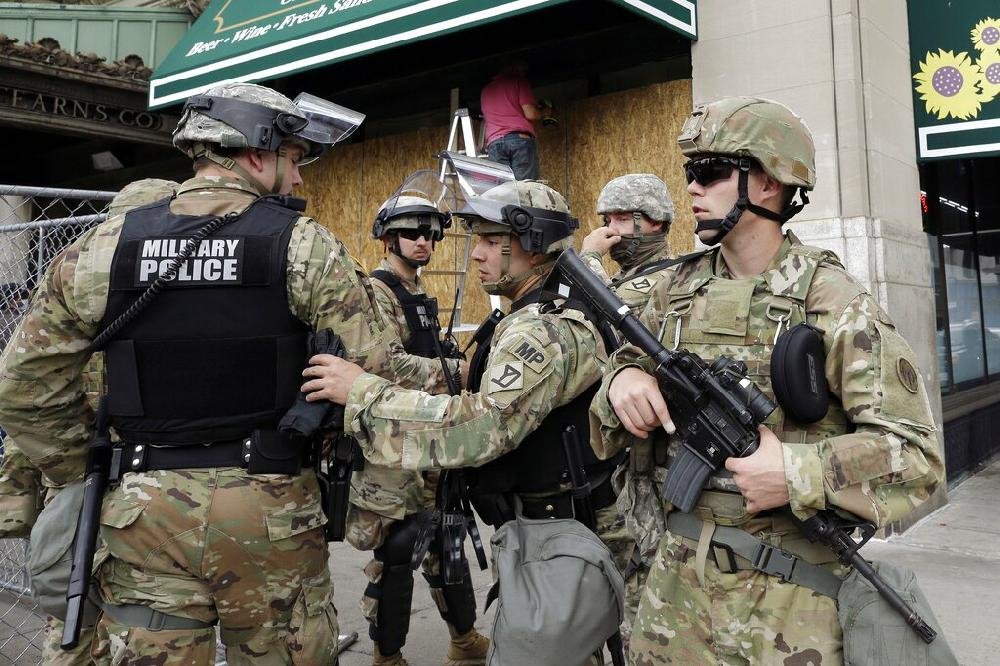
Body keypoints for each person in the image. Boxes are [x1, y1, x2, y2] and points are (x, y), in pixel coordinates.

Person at [0, 82, 456, 665]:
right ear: (258, 153)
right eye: (294, 160)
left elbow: (22, 389)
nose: (298, 180)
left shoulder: (102, 246)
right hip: (271, 511)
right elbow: (374, 371)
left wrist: (89, 469)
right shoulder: (305, 244)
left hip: (142, 514)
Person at [591, 96, 945, 664]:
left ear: (769, 182)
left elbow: (918, 458)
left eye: (709, 173)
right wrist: (624, 376)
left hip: (789, 600)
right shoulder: (673, 289)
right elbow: (622, 363)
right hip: (674, 592)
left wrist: (796, 471)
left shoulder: (833, 302)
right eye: (690, 174)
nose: (693, 190)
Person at [302, 178, 627, 659]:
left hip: (557, 534)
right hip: (560, 523)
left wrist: (361, 393)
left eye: (493, 241)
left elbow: (479, 429)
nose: (476, 254)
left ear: (535, 247)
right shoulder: (570, 297)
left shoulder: (540, 327)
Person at [0, 177, 179, 666]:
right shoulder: (88, 287)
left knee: (84, 619)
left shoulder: (84, 283)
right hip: (110, 480)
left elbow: (30, 393)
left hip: (111, 480)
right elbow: (27, 393)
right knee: (85, 614)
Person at [351, 182, 489, 666]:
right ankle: (387, 656)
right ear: (388, 239)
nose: (423, 241)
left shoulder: (416, 292)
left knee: (446, 536)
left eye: (430, 233)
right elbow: (383, 365)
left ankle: (465, 640)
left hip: (431, 435)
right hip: (394, 440)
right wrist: (453, 373)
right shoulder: (377, 291)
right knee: (398, 549)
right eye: (410, 232)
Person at [579, 172, 676, 645]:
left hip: (657, 467)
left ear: (654, 222)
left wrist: (589, 258)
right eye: (607, 219)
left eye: (622, 218)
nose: (612, 228)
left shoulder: (666, 277)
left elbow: (609, 316)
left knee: (650, 585)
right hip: (625, 463)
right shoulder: (632, 276)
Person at [481, 62, 543, 180]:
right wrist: (544, 112)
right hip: (518, 139)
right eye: (522, 67)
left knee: (504, 192)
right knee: (524, 188)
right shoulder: (519, 81)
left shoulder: (486, 90)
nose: (524, 70)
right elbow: (531, 114)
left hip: (494, 144)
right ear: (513, 66)